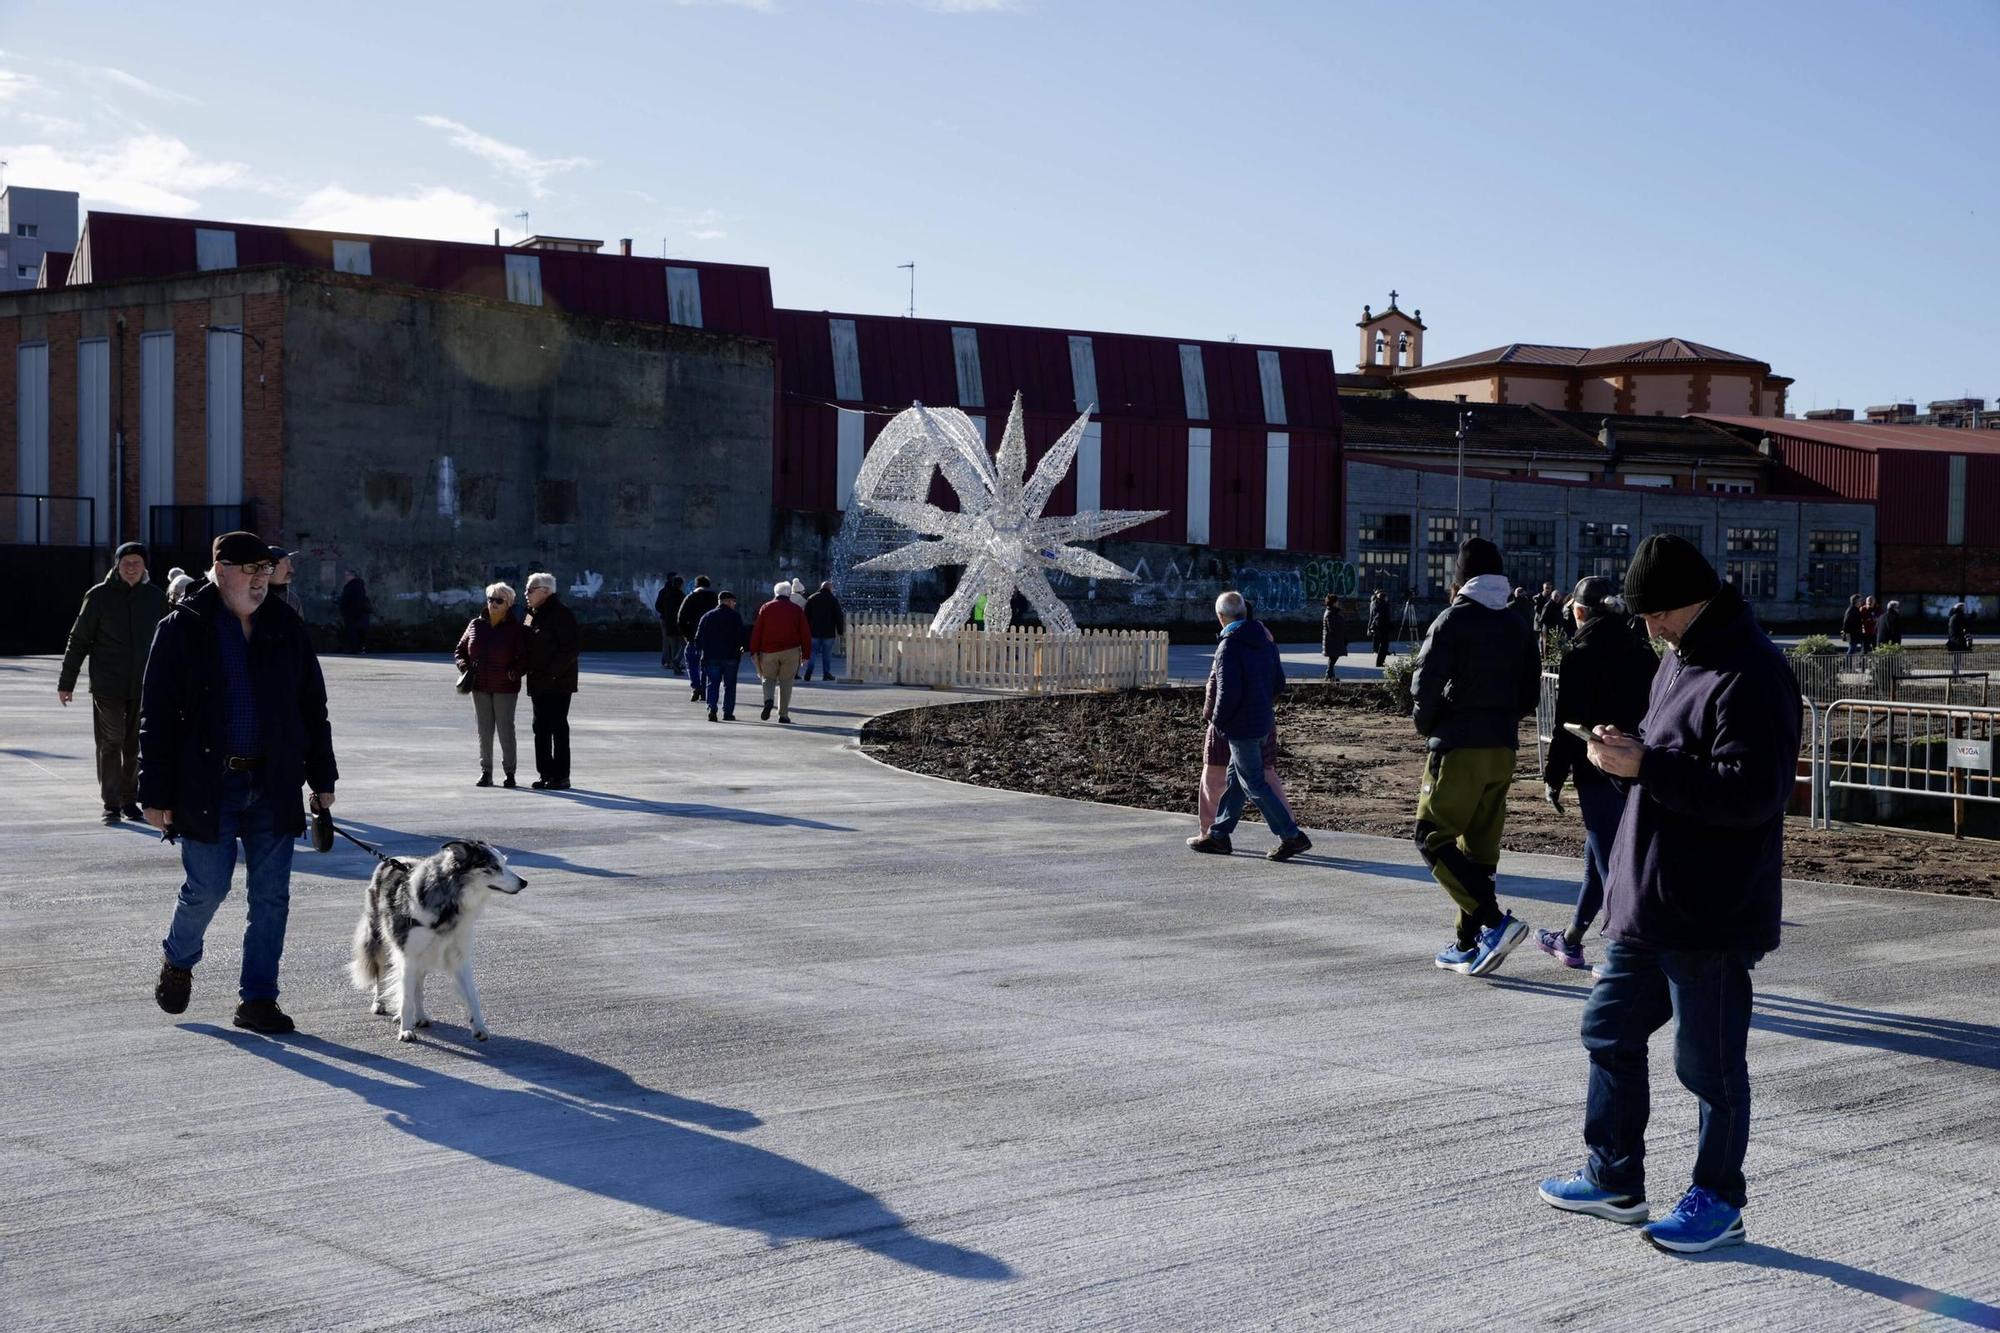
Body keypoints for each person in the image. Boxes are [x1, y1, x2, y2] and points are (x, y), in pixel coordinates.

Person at [1537, 533, 1800, 1254]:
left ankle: (1720, 1199)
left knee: (1709, 1067)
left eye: (1655, 613)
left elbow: (1755, 793)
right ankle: (1615, 1177)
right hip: (1647, 902)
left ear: (1693, 598)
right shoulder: (1680, 658)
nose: (1646, 626)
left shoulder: (1753, 671)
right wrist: (1626, 754)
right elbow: (1670, 764)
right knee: (1609, 1030)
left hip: (1711, 911)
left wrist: (1647, 764)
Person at [142, 531, 337, 1035]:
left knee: (271, 897)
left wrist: (322, 777)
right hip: (209, 784)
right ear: (221, 571)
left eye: (265, 572)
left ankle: (258, 1000)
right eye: (250, 572)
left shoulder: (284, 625)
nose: (260, 581)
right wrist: (154, 793)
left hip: (273, 781)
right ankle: (179, 960)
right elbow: (157, 716)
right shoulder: (183, 627)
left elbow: (311, 706)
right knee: (207, 888)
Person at [1410, 537, 1541, 977]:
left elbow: (1424, 684)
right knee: (1479, 851)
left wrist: (1432, 726)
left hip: (1459, 745)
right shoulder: (1518, 622)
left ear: (1460, 579)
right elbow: (1531, 689)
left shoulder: (1453, 620)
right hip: (1502, 747)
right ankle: (1467, 944)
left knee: (1431, 836)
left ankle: (1494, 923)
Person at [1535, 577, 1659, 971]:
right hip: (1638, 767)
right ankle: (1570, 941)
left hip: (1598, 771)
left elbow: (1567, 726)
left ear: (1581, 612)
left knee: (1613, 868)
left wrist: (1553, 777)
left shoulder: (1581, 653)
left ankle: (1629, 957)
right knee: (1598, 861)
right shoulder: (1643, 650)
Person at [1185, 590, 1311, 861]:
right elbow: (1279, 683)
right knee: (1236, 782)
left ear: (1221, 617)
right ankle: (1219, 836)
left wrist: (1218, 721)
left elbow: (1226, 693)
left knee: (1253, 784)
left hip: (1240, 727)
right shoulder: (1265, 639)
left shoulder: (1228, 645)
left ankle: (1291, 835)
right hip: (1262, 722)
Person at [58, 540, 169, 824]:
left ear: (145, 567)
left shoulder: (154, 597)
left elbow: (168, 641)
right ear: (116, 565)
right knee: (112, 741)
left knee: (134, 745)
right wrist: (66, 681)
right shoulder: (98, 596)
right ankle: (111, 802)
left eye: (137, 563)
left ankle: (129, 800)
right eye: (126, 563)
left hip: (143, 686)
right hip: (108, 685)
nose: (131, 568)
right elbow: (79, 639)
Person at [455, 582, 527, 788]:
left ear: (509, 603)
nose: (493, 604)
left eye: (498, 600)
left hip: (505, 686)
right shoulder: (475, 625)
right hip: (479, 685)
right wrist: (464, 668)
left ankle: (510, 773)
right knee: (484, 730)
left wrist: (514, 672)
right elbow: (459, 650)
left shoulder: (515, 628)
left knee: (506, 730)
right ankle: (486, 771)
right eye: (490, 599)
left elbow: (524, 657)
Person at [522, 572, 579, 791]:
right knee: (540, 727)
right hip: (538, 682)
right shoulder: (530, 613)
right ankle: (545, 773)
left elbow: (571, 649)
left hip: (558, 683)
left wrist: (552, 674)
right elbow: (524, 638)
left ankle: (561, 776)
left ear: (545, 591)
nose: (526, 594)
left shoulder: (561, 614)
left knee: (558, 727)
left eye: (530, 590)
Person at [750, 580, 813, 723]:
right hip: (791, 651)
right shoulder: (796, 609)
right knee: (786, 682)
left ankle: (768, 700)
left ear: (775, 593)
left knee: (768, 678)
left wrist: (754, 650)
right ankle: (783, 714)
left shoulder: (766, 608)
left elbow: (757, 631)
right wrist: (806, 654)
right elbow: (805, 633)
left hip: (768, 651)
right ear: (788, 593)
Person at [694, 590, 746, 721]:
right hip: (731, 657)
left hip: (711, 657)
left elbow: (698, 639)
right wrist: (741, 649)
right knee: (729, 685)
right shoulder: (735, 617)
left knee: (712, 683)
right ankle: (728, 712)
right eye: (733, 602)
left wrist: (703, 650)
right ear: (727, 601)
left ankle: (712, 708)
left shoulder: (707, 616)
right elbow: (742, 637)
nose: (734, 604)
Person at [678, 575, 719, 702]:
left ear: (696, 585)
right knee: (708, 664)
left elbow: (681, 619)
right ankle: (707, 689)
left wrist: (687, 636)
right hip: (712, 638)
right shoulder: (715, 598)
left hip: (693, 637)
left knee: (692, 663)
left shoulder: (690, 597)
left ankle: (696, 687)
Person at [805, 580, 845, 682]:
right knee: (827, 654)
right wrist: (840, 630)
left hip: (813, 631)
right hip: (828, 632)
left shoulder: (812, 598)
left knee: (812, 652)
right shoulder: (833, 599)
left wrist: (806, 629)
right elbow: (838, 616)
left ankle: (809, 670)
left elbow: (805, 616)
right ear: (830, 588)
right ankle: (826, 674)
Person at [655, 573, 685, 676]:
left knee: (669, 641)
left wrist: (665, 613)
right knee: (677, 643)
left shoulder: (664, 592)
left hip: (666, 619)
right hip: (674, 620)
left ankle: (669, 661)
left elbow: (658, 605)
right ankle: (673, 662)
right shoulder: (679, 594)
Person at [338, 570, 370, 653]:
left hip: (353, 613)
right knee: (358, 631)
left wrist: (344, 608)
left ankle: (354, 648)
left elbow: (349, 599)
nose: (346, 577)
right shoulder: (358, 585)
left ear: (353, 575)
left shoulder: (352, 586)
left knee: (353, 632)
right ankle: (358, 648)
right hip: (357, 613)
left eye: (347, 575)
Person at [267, 546, 304, 617]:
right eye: (286, 564)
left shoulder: (293, 600)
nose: (292, 570)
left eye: (290, 564)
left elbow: (299, 627)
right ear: (270, 570)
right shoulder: (254, 598)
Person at [1320, 594, 1346, 681]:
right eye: (1337, 601)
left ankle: (1330, 675)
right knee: (1334, 657)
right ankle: (1329, 674)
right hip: (1333, 639)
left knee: (1333, 657)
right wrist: (1339, 635)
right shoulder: (1330, 613)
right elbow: (1332, 627)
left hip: (1334, 639)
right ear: (1333, 603)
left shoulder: (1333, 612)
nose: (1338, 603)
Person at [1946, 601, 1973, 675]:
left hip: (1953, 642)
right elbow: (1966, 628)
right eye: (1963, 608)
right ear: (1960, 608)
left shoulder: (1953, 616)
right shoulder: (1959, 617)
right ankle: (1955, 676)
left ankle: (1955, 675)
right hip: (1957, 642)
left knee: (1956, 660)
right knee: (1957, 660)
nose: (1964, 609)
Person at [1367, 589, 1393, 668]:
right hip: (1382, 627)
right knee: (1384, 645)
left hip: (1377, 627)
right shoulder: (1384, 605)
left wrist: (1369, 627)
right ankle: (1380, 662)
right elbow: (1384, 617)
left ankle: (1380, 661)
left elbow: (1372, 616)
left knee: (1382, 644)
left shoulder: (1375, 604)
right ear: (1384, 598)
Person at [1840, 593, 1865, 666]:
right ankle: (1847, 666)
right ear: (1856, 601)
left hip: (1853, 633)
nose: (1861, 602)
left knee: (1852, 649)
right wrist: (1847, 633)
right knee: (1852, 649)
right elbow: (1846, 623)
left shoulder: (1854, 609)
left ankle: (1848, 666)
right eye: (1860, 600)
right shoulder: (1852, 610)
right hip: (1852, 634)